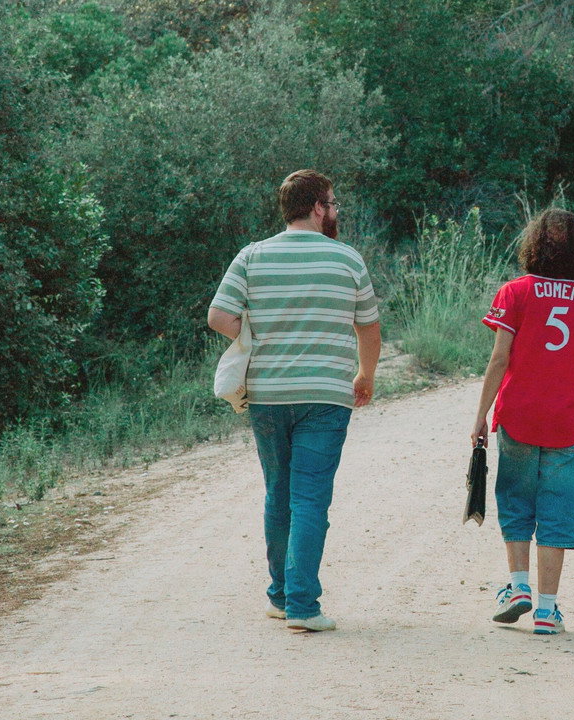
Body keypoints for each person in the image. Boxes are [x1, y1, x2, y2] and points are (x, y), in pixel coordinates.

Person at [208, 169, 381, 632]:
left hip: (268, 394)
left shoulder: (252, 255)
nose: (336, 210)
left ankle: (282, 597)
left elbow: (219, 316)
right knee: (310, 499)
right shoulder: (347, 259)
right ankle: (304, 606)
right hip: (326, 395)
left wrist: (254, 334)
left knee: (278, 493)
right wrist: (365, 375)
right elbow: (368, 327)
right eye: (333, 203)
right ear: (318, 207)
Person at [470, 208, 574, 635]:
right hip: (569, 416)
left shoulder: (514, 292)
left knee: (516, 498)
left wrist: (481, 414)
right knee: (558, 507)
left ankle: (518, 587)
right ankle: (547, 611)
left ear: (533, 245)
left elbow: (500, 358)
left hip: (520, 413)